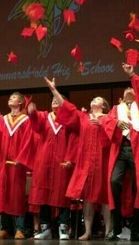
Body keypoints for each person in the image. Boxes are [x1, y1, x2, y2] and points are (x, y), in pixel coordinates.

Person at [46, 76, 113, 241]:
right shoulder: (83, 117)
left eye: (98, 99)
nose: (94, 99)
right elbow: (67, 107)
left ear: (104, 105)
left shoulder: (109, 118)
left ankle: (108, 231)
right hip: (86, 163)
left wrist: (101, 127)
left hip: (103, 162)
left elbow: (110, 142)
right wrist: (54, 90)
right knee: (88, 198)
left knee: (105, 198)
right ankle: (88, 231)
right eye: (93, 99)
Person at [105, 63, 139, 242]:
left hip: (137, 150)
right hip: (121, 149)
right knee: (114, 182)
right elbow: (106, 121)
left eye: (132, 89)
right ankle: (116, 225)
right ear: (121, 97)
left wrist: (132, 75)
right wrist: (116, 123)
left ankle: (135, 229)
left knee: (138, 188)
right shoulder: (116, 109)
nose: (129, 91)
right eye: (126, 90)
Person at [27, 87, 77, 240]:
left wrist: (70, 159)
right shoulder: (44, 116)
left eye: (58, 98)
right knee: (43, 194)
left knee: (62, 194)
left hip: (62, 161)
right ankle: (45, 228)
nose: (55, 100)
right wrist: (31, 113)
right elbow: (36, 124)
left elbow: (74, 140)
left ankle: (63, 228)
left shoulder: (70, 119)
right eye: (53, 99)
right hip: (44, 161)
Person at [0, 91, 34, 239]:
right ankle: (5, 228)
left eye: (13, 98)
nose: (10, 99)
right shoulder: (3, 119)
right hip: (2, 162)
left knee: (17, 195)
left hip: (17, 163)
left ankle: (20, 228)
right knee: (3, 193)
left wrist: (22, 158)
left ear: (20, 102)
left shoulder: (25, 120)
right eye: (9, 97)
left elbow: (28, 140)